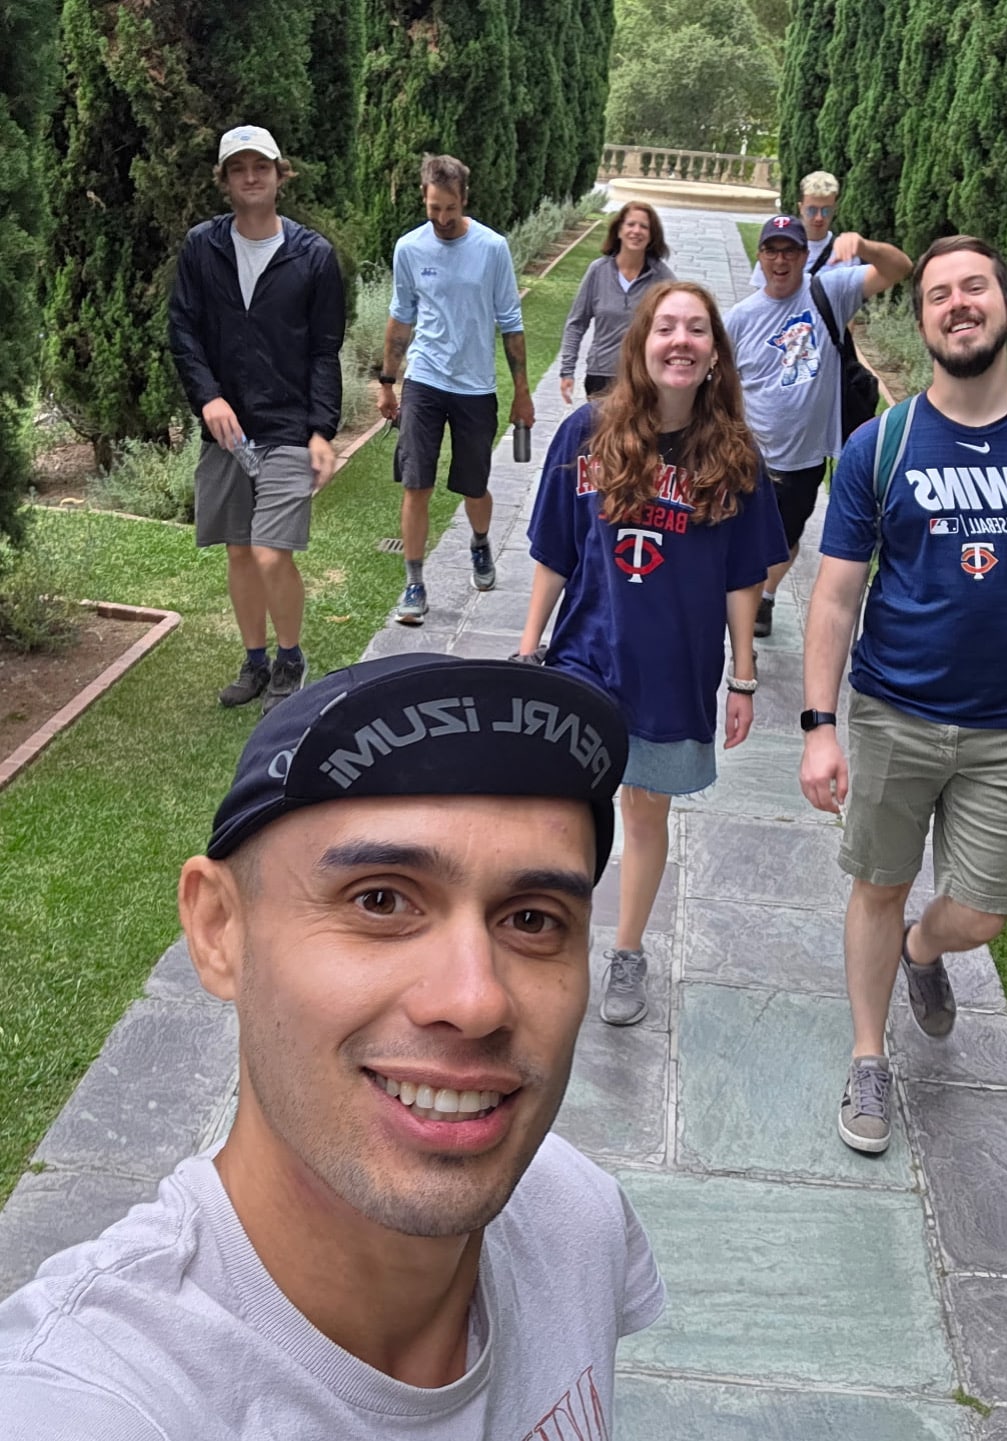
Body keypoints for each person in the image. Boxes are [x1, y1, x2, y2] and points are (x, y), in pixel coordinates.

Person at [0, 654, 665, 1436]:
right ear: (219, 929)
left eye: (532, 918)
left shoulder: (576, 1218)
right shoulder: (90, 1395)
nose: (475, 998)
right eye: (380, 900)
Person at [799, 236, 1007, 1155]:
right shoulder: (881, 444)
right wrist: (819, 725)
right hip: (894, 710)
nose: (955, 303)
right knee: (877, 883)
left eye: (973, 287)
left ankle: (923, 949)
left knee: (981, 910)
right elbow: (835, 591)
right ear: (923, 318)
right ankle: (869, 1057)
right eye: (937, 293)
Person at [517, 281, 788, 1026]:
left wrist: (742, 676)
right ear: (638, 345)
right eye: (664, 326)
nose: (679, 340)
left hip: (674, 671)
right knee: (562, 812)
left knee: (643, 815)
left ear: (712, 356)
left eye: (695, 330)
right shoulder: (586, 435)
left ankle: (627, 951)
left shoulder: (734, 459)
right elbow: (555, 551)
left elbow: (743, 577)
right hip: (585, 657)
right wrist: (527, 644)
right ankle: (548, 938)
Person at [170, 123, 345, 713]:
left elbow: (325, 349)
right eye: (239, 168)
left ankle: (290, 659)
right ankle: (254, 661)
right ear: (225, 180)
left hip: (289, 427)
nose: (251, 177)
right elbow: (184, 331)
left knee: (272, 550)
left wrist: (322, 429)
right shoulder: (203, 246)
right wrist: (207, 398)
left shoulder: (313, 255)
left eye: (261, 167)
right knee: (239, 550)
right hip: (226, 430)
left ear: (278, 175)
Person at [726, 215, 911, 639]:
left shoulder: (829, 292)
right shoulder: (739, 317)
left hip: (804, 456)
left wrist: (863, 244)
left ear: (804, 256)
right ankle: (744, 619)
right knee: (743, 541)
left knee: (786, 539)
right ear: (760, 257)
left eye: (790, 250)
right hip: (749, 455)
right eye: (771, 250)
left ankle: (765, 596)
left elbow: (900, 268)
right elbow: (724, 385)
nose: (780, 259)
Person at [377, 155, 534, 625]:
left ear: (464, 199)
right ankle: (414, 582)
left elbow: (511, 323)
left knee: (474, 485)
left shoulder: (492, 248)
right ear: (424, 199)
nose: (442, 219)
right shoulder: (409, 248)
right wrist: (388, 382)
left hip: (475, 387)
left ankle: (480, 544)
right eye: (433, 209)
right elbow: (401, 317)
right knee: (415, 484)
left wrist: (522, 393)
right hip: (424, 380)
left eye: (449, 208)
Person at [558, 202, 674, 402]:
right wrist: (567, 371)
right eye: (631, 224)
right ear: (619, 230)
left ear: (652, 235)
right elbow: (576, 323)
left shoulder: (662, 278)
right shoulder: (598, 271)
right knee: (602, 432)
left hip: (643, 377)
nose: (636, 231)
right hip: (601, 376)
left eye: (644, 226)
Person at [746, 170, 860, 289]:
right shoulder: (778, 246)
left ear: (834, 209)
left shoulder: (848, 256)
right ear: (801, 208)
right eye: (812, 210)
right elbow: (761, 296)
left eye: (826, 210)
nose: (819, 217)